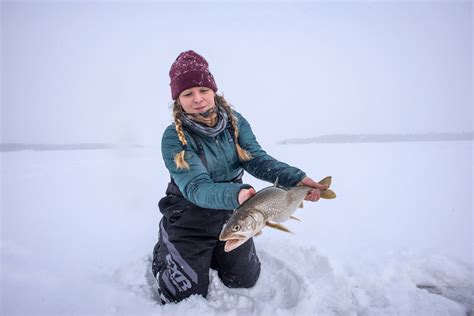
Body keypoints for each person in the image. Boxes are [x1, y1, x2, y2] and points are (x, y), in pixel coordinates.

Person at [152, 50, 327, 304]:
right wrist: (236, 194)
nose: (198, 99)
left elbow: (256, 159)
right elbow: (196, 187)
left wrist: (295, 179)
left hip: (230, 213)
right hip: (189, 217)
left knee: (244, 278)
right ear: (178, 100)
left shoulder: (235, 122)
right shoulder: (173, 137)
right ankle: (166, 247)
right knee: (182, 294)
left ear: (213, 90)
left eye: (203, 90)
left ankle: (209, 251)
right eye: (188, 94)